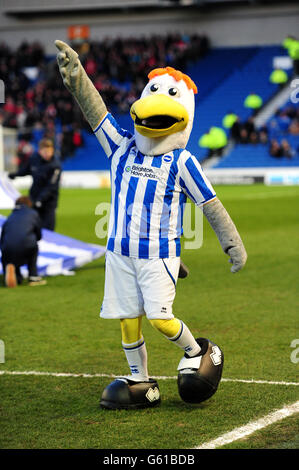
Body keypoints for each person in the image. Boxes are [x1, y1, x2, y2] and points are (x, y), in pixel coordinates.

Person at [55, 40, 247, 408]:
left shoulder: (183, 162)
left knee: (160, 319)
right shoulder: (121, 147)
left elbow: (210, 205)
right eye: (153, 91)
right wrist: (76, 75)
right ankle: (139, 380)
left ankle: (197, 351)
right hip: (120, 255)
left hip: (158, 254)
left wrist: (232, 244)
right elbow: (96, 113)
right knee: (127, 320)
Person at [8, 138, 61, 231]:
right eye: (45, 151)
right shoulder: (34, 159)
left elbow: (51, 187)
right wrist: (14, 175)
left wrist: (40, 200)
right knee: (33, 228)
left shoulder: (55, 166)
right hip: (33, 198)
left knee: (48, 231)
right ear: (40, 151)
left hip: (48, 203)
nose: (47, 154)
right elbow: (26, 170)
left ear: (52, 150)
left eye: (50, 151)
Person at [0, 196, 46, 287]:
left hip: (7, 249)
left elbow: (3, 235)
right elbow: (39, 234)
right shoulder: (33, 214)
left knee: (10, 256)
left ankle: (14, 274)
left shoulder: (11, 216)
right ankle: (33, 276)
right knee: (33, 249)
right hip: (27, 246)